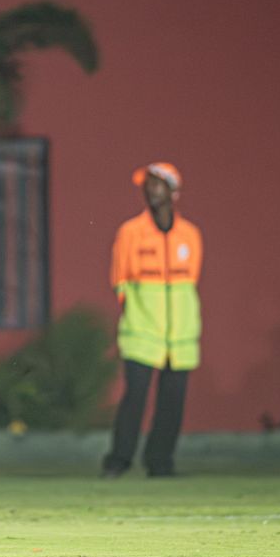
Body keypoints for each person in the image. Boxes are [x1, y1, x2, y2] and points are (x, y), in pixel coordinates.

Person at [102, 162, 202, 478]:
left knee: (172, 403)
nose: (150, 189)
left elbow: (190, 282)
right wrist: (138, 312)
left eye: (157, 183)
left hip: (181, 336)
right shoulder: (130, 232)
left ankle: (160, 462)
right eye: (147, 183)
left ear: (173, 191)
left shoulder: (190, 235)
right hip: (141, 332)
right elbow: (120, 281)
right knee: (134, 399)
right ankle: (118, 461)